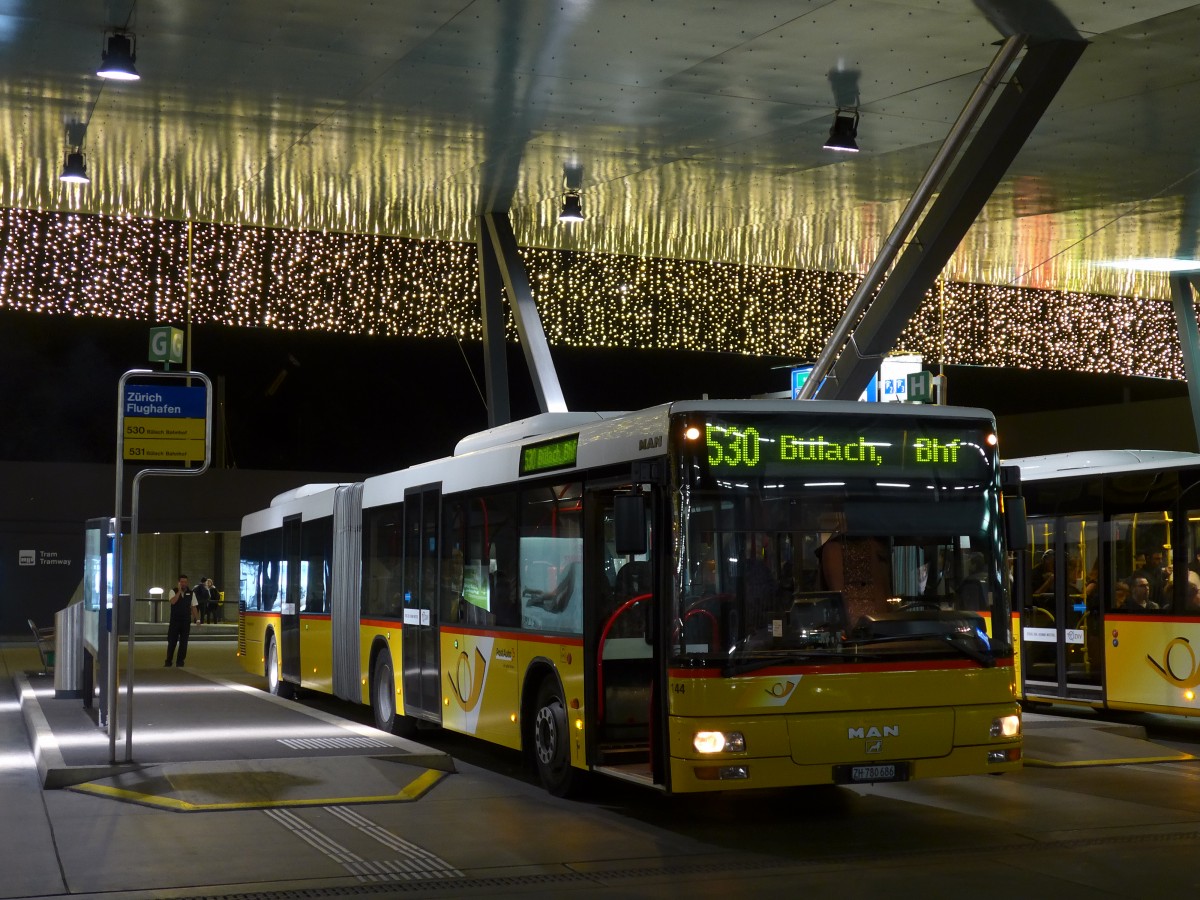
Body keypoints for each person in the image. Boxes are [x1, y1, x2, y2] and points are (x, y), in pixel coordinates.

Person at [165, 574, 195, 666]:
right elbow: (173, 601)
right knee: (172, 641)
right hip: (175, 621)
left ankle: (180, 661)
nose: (184, 584)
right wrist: (178, 591)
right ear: (179, 582)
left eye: (185, 582)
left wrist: (197, 619)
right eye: (182, 582)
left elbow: (193, 606)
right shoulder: (173, 591)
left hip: (186, 621)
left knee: (184, 642)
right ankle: (168, 661)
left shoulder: (191, 593)